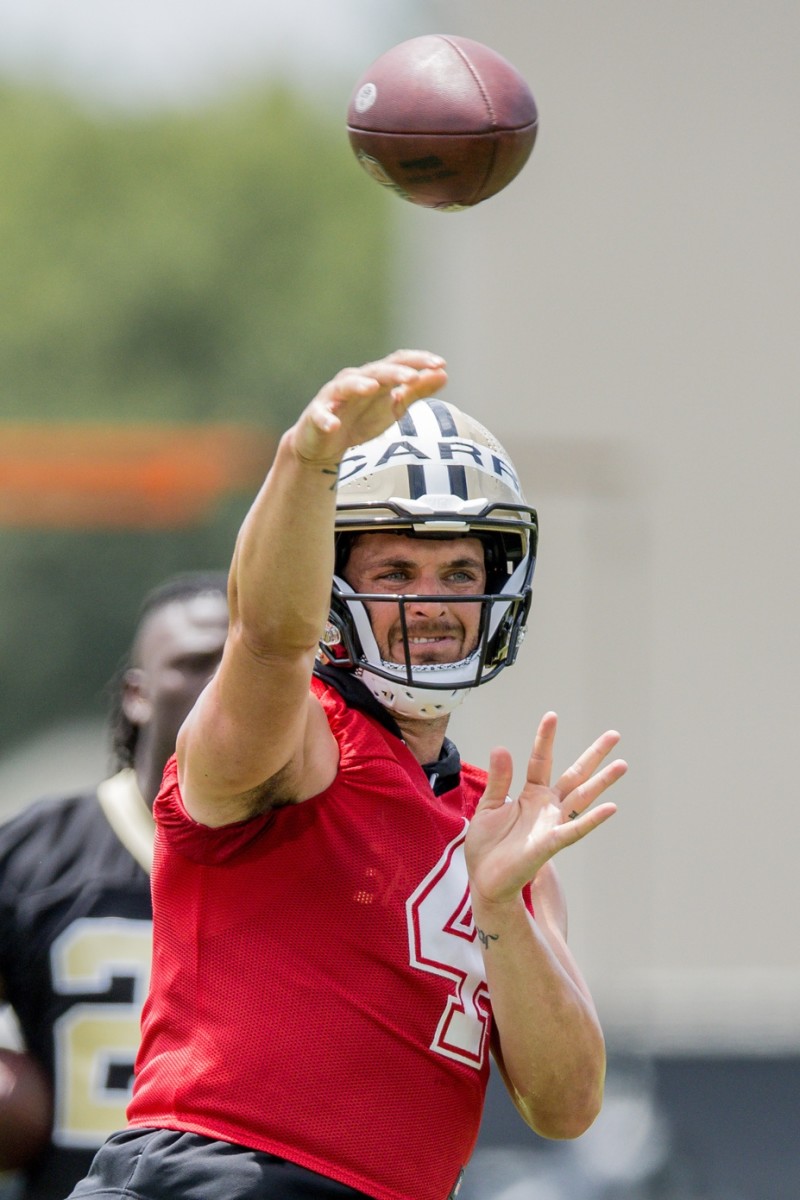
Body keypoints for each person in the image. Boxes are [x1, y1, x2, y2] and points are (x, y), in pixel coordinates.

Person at [67, 350, 627, 1200]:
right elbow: (266, 636)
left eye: (461, 574)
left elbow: (566, 1104)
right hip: (222, 1179)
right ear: (331, 590)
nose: (434, 604)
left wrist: (501, 906)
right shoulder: (296, 740)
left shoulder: (497, 828)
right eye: (395, 573)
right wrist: (308, 460)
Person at [0, 572, 229, 1200]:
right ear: (136, 693)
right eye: (195, 661)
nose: (223, 681)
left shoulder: (330, 851)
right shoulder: (32, 855)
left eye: (245, 660)